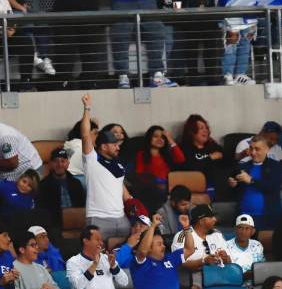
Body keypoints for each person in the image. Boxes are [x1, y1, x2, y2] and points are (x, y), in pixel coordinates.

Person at [130, 213, 202, 289]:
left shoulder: (170, 258)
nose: (163, 246)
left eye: (163, 243)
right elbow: (142, 251)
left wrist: (187, 229)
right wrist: (153, 226)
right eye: (159, 244)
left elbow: (190, 249)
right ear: (149, 247)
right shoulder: (140, 262)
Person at [79, 95, 132, 240]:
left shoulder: (119, 165)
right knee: (98, 258)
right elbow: (85, 135)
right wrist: (87, 108)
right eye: (114, 145)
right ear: (103, 146)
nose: (118, 148)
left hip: (122, 220)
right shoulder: (92, 160)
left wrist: (136, 209)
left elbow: (125, 194)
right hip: (98, 219)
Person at [66, 224, 130, 289]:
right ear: (85, 241)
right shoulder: (73, 262)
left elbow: (124, 282)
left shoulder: (106, 258)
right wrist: (94, 264)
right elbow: (78, 285)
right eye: (97, 239)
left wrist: (113, 266)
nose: (101, 243)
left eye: (101, 240)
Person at [230, 136, 282, 230]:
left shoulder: (276, 166)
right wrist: (233, 184)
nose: (253, 152)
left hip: (267, 217)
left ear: (266, 149)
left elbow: (273, 187)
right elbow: (236, 190)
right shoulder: (242, 166)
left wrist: (251, 180)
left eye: (257, 149)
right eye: (251, 148)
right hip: (244, 217)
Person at [131, 126, 185, 209]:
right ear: (149, 138)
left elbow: (181, 159)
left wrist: (170, 139)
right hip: (150, 189)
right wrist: (155, 182)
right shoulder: (142, 155)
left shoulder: (167, 155)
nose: (160, 139)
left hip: (168, 187)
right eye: (156, 136)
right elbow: (140, 174)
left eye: (163, 137)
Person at [177, 115, 228, 194]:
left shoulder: (214, 146)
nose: (205, 131)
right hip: (193, 187)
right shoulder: (184, 148)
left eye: (206, 128)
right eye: (201, 128)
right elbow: (190, 169)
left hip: (215, 186)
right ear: (192, 132)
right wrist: (210, 158)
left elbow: (227, 164)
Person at [38, 148, 86, 218]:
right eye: (56, 161)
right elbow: (42, 211)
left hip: (76, 220)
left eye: (63, 161)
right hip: (54, 224)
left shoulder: (76, 183)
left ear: (68, 164)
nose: (59, 164)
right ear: (50, 164)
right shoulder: (43, 185)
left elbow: (81, 206)